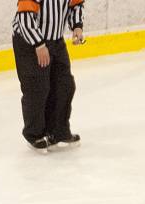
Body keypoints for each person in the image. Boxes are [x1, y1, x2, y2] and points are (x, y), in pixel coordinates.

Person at [12, 0, 85, 153]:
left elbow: (75, 4)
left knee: (64, 85)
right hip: (29, 41)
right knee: (38, 88)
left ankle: (58, 131)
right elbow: (24, 17)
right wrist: (38, 44)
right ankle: (35, 135)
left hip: (56, 40)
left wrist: (77, 26)